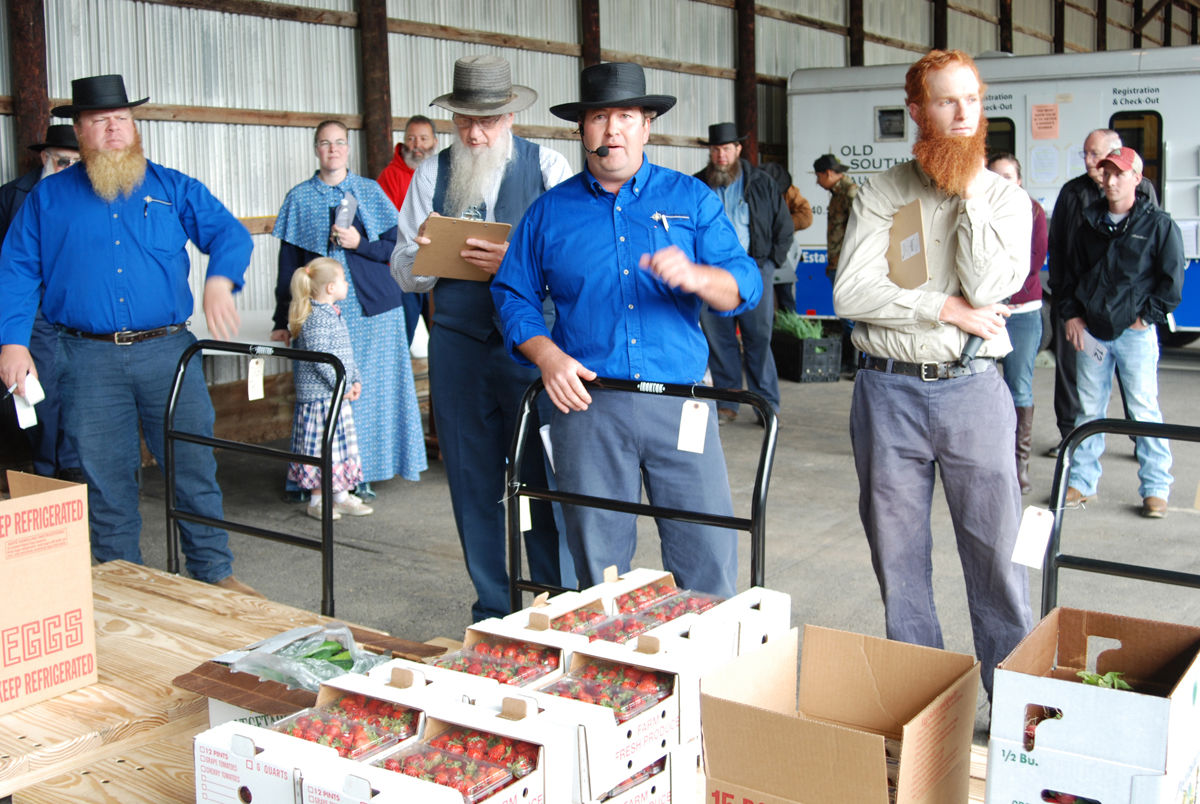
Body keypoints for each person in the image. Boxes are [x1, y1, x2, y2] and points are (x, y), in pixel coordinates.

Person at [492, 62, 762, 597]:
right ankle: (610, 671)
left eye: (625, 116)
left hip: (679, 400)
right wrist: (547, 356)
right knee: (597, 563)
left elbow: (745, 283)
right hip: (588, 404)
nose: (611, 129)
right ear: (582, 130)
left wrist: (700, 276)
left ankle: (707, 673)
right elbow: (512, 294)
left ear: (646, 126)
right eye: (598, 118)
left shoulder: (690, 200)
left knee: (706, 551)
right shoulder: (548, 213)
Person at [0, 74, 260, 596]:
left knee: (191, 463)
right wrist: (12, 341)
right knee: (105, 477)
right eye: (100, 121)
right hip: (85, 358)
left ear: (134, 126)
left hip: (169, 353)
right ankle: (125, 585)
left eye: (122, 119)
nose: (114, 129)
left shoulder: (171, 187)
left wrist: (219, 279)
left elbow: (228, 233)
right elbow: (17, 268)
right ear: (80, 130)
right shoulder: (47, 201)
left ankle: (215, 574)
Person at [832, 50, 1033, 696]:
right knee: (898, 558)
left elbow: (991, 282)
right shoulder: (884, 190)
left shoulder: (1006, 199)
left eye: (971, 101)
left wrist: (968, 188)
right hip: (887, 391)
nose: (961, 114)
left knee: (996, 554)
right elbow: (851, 293)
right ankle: (929, 704)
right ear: (917, 110)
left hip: (973, 389)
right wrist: (939, 306)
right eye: (946, 101)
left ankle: (1014, 705)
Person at [390, 54, 572, 622]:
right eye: (466, 121)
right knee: (472, 479)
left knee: (541, 479)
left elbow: (571, 263)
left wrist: (514, 259)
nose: (475, 133)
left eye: (487, 121)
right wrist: (423, 254)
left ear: (511, 116)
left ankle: (552, 605)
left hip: (530, 349)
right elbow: (401, 269)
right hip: (459, 346)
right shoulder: (431, 174)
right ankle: (492, 609)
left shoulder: (550, 168)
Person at [272, 120, 426, 504]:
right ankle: (323, 479)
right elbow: (287, 263)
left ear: (347, 148)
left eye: (339, 142)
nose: (333, 149)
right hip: (322, 311)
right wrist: (282, 321)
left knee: (366, 394)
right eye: (325, 143)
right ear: (316, 149)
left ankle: (364, 473)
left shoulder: (369, 191)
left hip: (374, 309)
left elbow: (398, 246)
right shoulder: (299, 198)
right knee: (325, 394)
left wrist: (360, 243)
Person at [1058, 147, 1183, 519]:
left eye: (1119, 174)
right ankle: (1082, 483)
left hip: (1135, 335)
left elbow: (1171, 281)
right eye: (1106, 173)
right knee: (1088, 411)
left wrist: (1146, 318)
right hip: (1092, 333)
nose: (1111, 180)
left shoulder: (1158, 225)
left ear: (1136, 180)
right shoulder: (1088, 225)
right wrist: (1071, 316)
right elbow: (1068, 277)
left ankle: (1156, 488)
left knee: (1144, 409)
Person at [1045, 128, 1158, 458]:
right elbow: (1060, 251)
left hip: (1127, 313)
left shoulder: (1144, 192)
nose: (1090, 161)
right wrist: (1067, 309)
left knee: (1136, 387)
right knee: (1073, 378)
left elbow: (1153, 255)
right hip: (1079, 308)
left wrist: (1144, 314)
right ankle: (1071, 440)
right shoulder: (1072, 192)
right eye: (1086, 154)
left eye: (1096, 154)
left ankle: (1140, 439)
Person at [0, 124, 83, 482]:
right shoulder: (12, 197)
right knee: (42, 390)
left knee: (79, 389)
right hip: (34, 310)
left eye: (77, 163)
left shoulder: (87, 195)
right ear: (44, 158)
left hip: (75, 306)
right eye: (63, 162)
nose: (69, 170)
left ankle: (72, 463)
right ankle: (50, 468)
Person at [694, 122, 791, 424]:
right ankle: (727, 403)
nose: (720, 155)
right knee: (718, 340)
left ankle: (766, 404)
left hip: (754, 270)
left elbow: (783, 227)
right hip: (710, 274)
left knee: (758, 338)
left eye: (725, 149)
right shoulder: (697, 185)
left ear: (737, 149)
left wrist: (769, 263)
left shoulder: (760, 182)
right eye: (715, 150)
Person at [286, 257, 374, 521]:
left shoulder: (333, 313)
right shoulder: (315, 319)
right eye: (344, 280)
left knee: (339, 448)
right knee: (319, 449)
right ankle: (317, 499)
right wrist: (343, 386)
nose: (348, 284)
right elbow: (323, 361)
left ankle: (341, 496)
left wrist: (354, 379)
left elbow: (345, 353)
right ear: (330, 288)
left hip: (337, 397)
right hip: (320, 400)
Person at [987, 152, 1047, 495]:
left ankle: (1018, 464)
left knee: (1018, 386)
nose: (1001, 181)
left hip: (1021, 311)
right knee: (976, 386)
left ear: (1019, 180)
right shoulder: (977, 208)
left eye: (1008, 176)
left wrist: (995, 290)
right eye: (995, 176)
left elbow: (1033, 261)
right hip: (985, 311)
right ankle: (987, 457)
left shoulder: (1034, 211)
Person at [376, 114, 439, 346]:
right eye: (411, 138)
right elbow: (386, 227)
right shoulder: (389, 177)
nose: (417, 145)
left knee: (443, 339)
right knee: (403, 339)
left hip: (439, 270)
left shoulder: (442, 173)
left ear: (434, 142)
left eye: (423, 138)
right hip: (405, 269)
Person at [814, 153, 860, 373]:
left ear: (828, 173)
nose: (817, 181)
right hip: (837, 263)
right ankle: (850, 362)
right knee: (844, 316)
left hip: (848, 265)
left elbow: (861, 230)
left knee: (852, 317)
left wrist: (850, 264)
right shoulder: (837, 193)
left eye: (818, 176)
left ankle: (858, 363)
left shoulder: (850, 192)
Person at [760, 160, 813, 313]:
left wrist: (782, 225)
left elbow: (806, 217)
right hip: (758, 251)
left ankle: (787, 331)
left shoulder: (790, 192)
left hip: (782, 249)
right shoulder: (752, 189)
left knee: (784, 294)